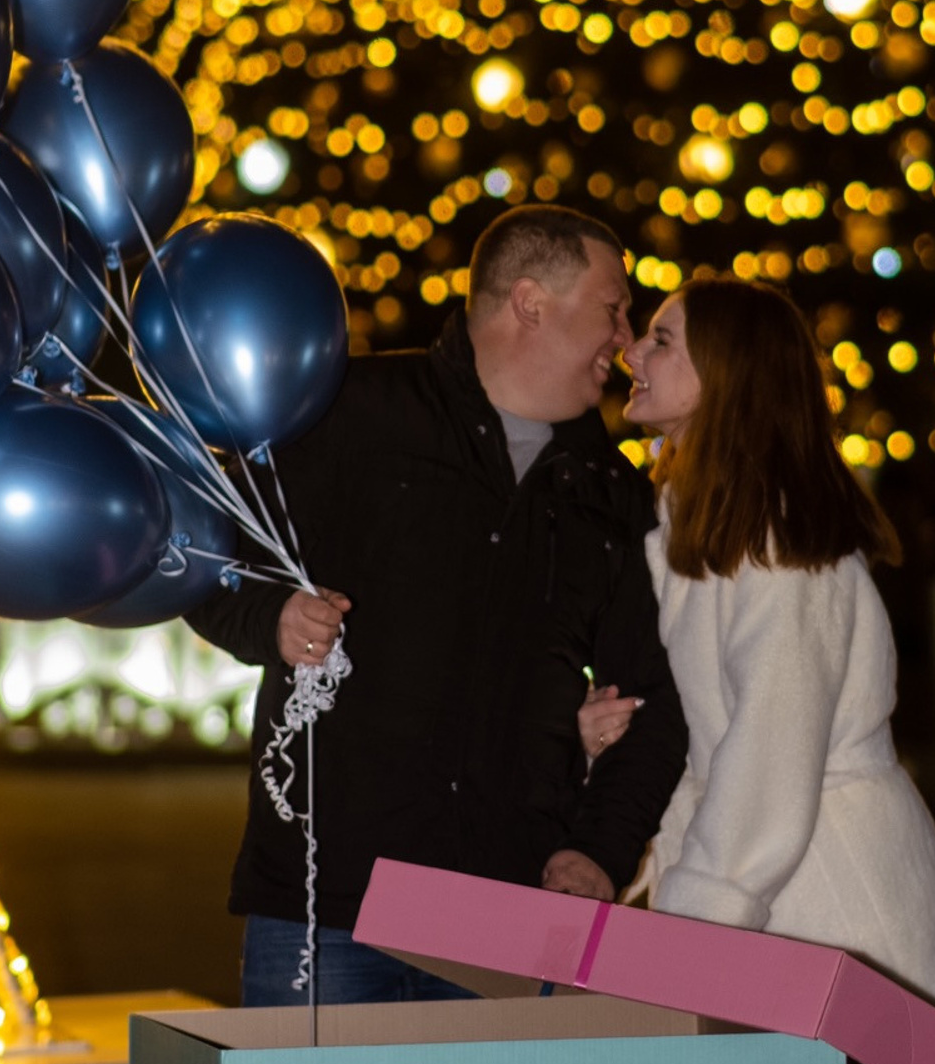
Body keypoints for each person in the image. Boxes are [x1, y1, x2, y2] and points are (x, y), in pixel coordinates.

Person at [616, 278, 935, 1064]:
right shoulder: (706, 529)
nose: (635, 351)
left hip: (830, 884)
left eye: (664, 339)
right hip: (787, 876)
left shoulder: (776, 545)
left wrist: (686, 939)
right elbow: (714, 749)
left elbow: (766, 764)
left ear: (728, 378)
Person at [188, 205, 687, 1005]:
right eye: (613, 308)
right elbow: (206, 558)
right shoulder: (347, 410)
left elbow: (657, 702)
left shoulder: (612, 493)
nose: (625, 338)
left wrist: (599, 850)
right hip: (326, 909)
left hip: (507, 921)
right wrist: (272, 619)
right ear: (530, 302)